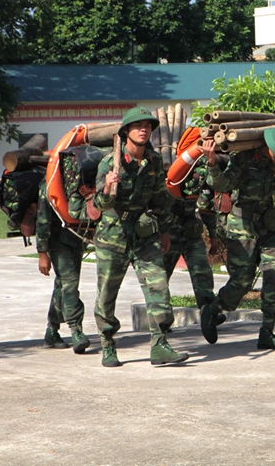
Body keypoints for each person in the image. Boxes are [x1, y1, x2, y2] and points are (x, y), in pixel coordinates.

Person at [92, 107, 187, 368]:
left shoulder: (154, 162)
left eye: (147, 125)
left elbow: (160, 200)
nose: (143, 129)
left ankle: (160, 345)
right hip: (113, 237)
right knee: (107, 293)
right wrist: (109, 189)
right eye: (137, 125)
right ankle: (108, 344)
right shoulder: (109, 163)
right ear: (125, 132)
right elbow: (98, 205)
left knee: (158, 287)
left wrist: (165, 230)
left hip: (144, 235)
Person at [202, 126, 275, 349]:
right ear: (270, 146)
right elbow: (222, 185)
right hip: (241, 225)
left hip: (266, 225)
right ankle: (214, 308)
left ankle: (267, 331)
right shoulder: (243, 159)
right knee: (241, 281)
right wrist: (212, 163)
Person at [163, 158, 217, 343]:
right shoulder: (170, 173)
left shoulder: (204, 173)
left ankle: (209, 314)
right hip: (169, 234)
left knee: (202, 274)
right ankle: (162, 323)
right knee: (160, 280)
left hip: (191, 234)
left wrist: (213, 235)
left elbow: (206, 206)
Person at [36, 177, 90, 353]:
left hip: (76, 240)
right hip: (57, 242)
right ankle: (76, 330)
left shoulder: (84, 182)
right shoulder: (51, 183)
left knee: (62, 286)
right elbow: (42, 219)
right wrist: (42, 252)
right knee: (70, 283)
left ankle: (52, 330)